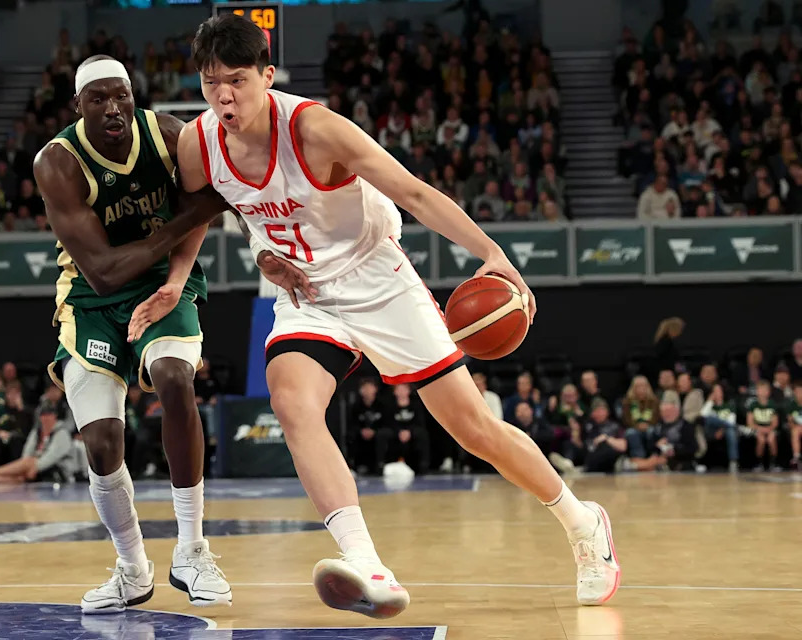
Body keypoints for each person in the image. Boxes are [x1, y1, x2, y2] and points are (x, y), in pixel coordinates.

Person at [131, 15, 619, 618]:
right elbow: (207, 213)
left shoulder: (318, 130)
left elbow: (412, 191)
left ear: (267, 75)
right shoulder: (197, 143)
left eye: (236, 80)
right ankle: (367, 563)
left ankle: (581, 522)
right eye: (210, 83)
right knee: (291, 400)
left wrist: (492, 253)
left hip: (376, 276)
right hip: (308, 292)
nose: (224, 97)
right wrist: (214, 270)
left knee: (474, 430)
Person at [33, 54, 284, 613]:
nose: (113, 107)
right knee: (101, 442)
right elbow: (103, 270)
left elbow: (229, 188)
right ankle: (131, 568)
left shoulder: (167, 132)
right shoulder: (58, 163)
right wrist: (190, 215)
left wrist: (262, 248)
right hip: (92, 297)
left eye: (121, 94)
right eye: (98, 98)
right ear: (78, 106)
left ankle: (193, 550)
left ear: (133, 94)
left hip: (165, 285)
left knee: (174, 378)